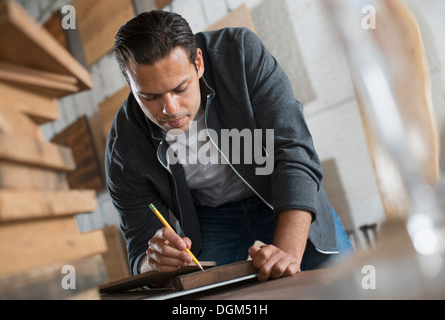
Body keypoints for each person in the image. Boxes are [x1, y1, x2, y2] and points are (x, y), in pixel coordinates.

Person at [106, 10, 353, 283]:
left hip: (279, 191)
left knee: (342, 284)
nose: (169, 109)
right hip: (212, 217)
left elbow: (293, 152)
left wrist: (287, 255)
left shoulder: (239, 53)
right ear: (130, 84)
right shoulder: (123, 147)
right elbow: (139, 245)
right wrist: (151, 263)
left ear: (198, 63)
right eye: (150, 97)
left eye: (180, 88)